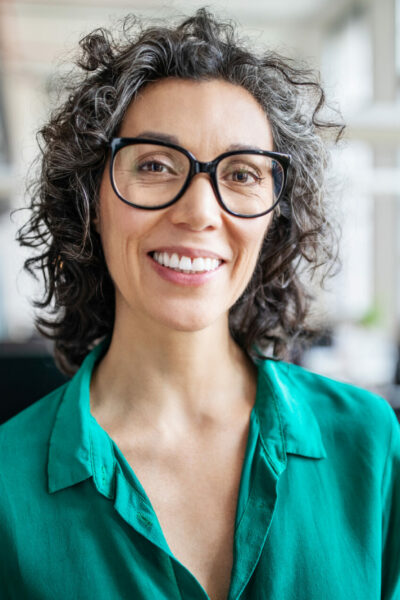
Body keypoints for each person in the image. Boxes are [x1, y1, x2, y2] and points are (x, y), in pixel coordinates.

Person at [0, 9, 399, 600]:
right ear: (91, 203)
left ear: (274, 221)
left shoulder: (369, 443)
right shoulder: (7, 484)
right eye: (156, 165)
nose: (199, 212)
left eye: (241, 174)